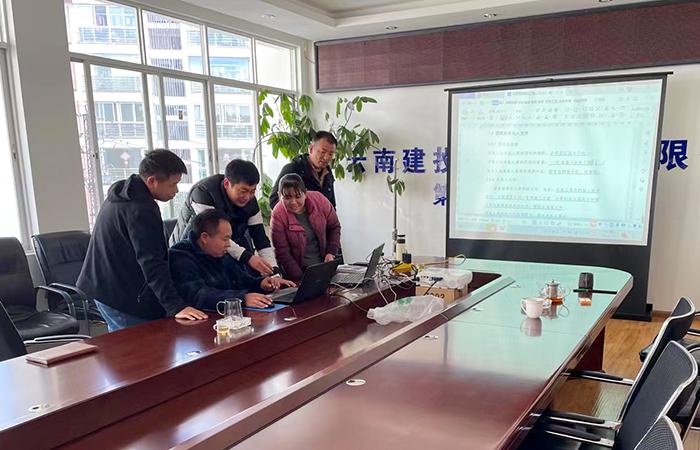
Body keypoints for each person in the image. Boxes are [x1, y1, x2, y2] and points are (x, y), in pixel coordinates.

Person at [77, 150, 208, 332]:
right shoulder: (140, 209)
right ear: (152, 181)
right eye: (173, 184)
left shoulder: (124, 194)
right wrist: (176, 306)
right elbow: (152, 261)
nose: (176, 191)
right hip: (117, 293)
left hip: (103, 286)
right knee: (137, 346)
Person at [170, 210, 295, 310]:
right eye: (225, 239)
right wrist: (242, 299)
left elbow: (242, 280)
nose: (229, 245)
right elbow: (198, 295)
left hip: (232, 316)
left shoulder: (219, 252)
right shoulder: (180, 255)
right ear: (204, 238)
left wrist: (262, 284)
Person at [170, 159, 276, 276]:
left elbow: (260, 238)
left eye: (252, 191)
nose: (248, 197)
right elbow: (215, 236)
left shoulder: (251, 202)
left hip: (224, 247)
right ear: (226, 184)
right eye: (243, 191)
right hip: (191, 253)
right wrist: (248, 257)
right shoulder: (202, 193)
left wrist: (274, 271)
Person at [270, 174, 341, 281]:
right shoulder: (278, 214)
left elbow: (334, 227)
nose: (293, 202)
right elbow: (282, 253)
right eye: (287, 197)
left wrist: (331, 252)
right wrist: (301, 279)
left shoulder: (319, 200)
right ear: (279, 195)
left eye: (298, 196)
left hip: (325, 264)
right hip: (298, 271)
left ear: (305, 193)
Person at [269, 131, 337, 210]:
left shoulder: (328, 172)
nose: (326, 157)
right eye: (323, 152)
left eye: (331, 154)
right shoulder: (293, 169)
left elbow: (331, 205)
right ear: (311, 149)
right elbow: (274, 201)